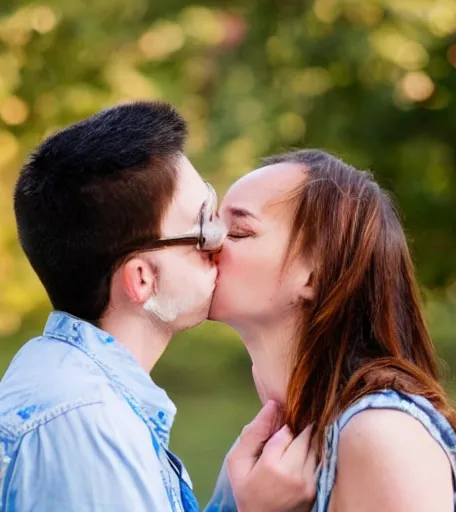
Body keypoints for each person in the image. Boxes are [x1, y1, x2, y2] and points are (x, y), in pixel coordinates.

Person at [0, 102, 316, 512]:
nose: (220, 241)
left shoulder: (80, 394)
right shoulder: (84, 425)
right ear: (142, 280)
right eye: (203, 226)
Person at [208, 149, 456, 511]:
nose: (208, 240)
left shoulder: (384, 437)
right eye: (212, 222)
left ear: (315, 275)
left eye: (239, 231)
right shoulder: (266, 454)